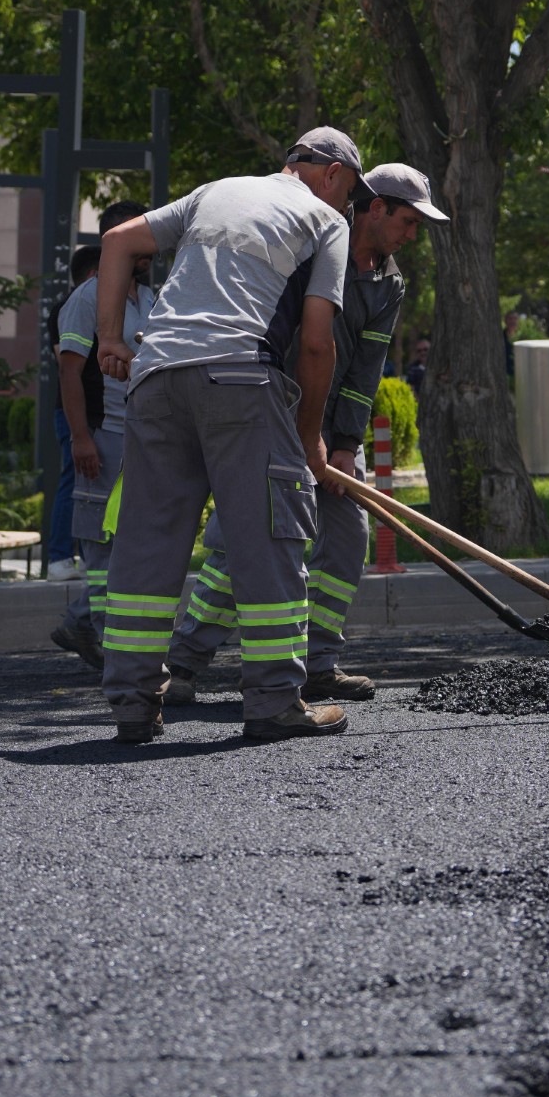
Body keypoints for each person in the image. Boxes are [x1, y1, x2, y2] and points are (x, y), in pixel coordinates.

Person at [95, 127, 365, 744]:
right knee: (268, 535)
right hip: (240, 379)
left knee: (149, 541)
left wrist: (111, 338)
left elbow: (116, 241)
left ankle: (133, 705)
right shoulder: (327, 224)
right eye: (349, 192)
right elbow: (318, 341)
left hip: (156, 377)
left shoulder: (213, 192)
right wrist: (309, 441)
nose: (348, 206)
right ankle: (273, 702)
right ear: (329, 176)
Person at [166, 162, 442, 706]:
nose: (413, 236)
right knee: (242, 544)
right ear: (376, 207)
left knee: (347, 540)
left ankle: (316, 663)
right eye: (409, 221)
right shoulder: (312, 245)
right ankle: (183, 664)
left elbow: (367, 370)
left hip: (331, 434)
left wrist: (344, 446)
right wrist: (297, 431)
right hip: (271, 414)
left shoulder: (390, 282)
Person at [49, 202, 154, 670]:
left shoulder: (150, 299)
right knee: (99, 541)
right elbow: (69, 373)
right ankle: (114, 652)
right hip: (103, 434)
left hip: (142, 438)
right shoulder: (87, 298)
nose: (149, 245)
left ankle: (83, 622)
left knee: (132, 540)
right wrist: (80, 439)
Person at [43, 246, 101, 587]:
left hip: (88, 413)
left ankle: (73, 556)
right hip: (74, 413)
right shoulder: (71, 306)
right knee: (73, 481)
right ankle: (60, 557)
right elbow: (66, 366)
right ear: (94, 275)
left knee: (84, 484)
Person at [403, 336, 430, 400]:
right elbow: (411, 388)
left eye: (425, 349)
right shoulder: (412, 369)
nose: (422, 352)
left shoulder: (440, 367)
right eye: (419, 351)